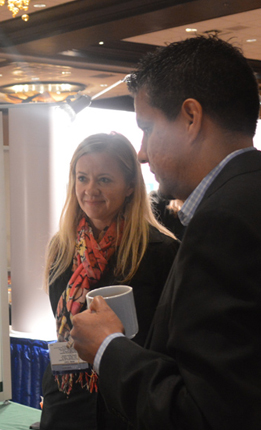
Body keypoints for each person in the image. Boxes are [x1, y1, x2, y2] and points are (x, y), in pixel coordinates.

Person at [70, 36, 261, 429]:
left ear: (190, 117)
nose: (141, 152)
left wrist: (108, 348)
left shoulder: (223, 221)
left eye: (147, 128)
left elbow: (205, 414)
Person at [40, 133, 179, 430]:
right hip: (66, 397)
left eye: (104, 179)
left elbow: (170, 341)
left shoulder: (159, 251)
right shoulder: (61, 248)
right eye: (82, 178)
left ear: (130, 187)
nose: (90, 189)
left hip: (126, 401)